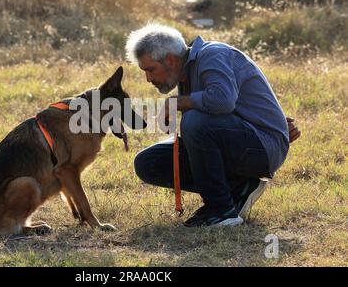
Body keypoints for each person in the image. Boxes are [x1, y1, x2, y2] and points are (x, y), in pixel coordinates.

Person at [127, 23, 301, 227]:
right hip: (241, 140)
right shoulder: (186, 71)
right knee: (148, 162)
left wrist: (178, 102)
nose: (148, 78)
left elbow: (222, 100)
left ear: (170, 60)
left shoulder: (213, 55)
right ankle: (240, 186)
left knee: (195, 122)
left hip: (262, 147)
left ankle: (221, 210)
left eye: (150, 70)